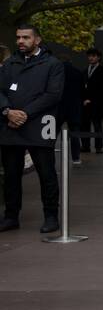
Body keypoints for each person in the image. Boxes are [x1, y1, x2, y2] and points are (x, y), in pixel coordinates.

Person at [0, 24, 65, 233]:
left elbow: (52, 95)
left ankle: (51, 217)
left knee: (46, 174)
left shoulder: (52, 64)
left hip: (40, 126)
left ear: (37, 40)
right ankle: (11, 217)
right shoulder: (10, 63)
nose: (20, 41)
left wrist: (24, 114)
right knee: (11, 175)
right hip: (11, 126)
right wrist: (7, 111)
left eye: (26, 38)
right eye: (18, 37)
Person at [56, 54, 85, 165]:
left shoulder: (57, 72)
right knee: (75, 133)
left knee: (53, 133)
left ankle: (48, 155)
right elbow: (82, 90)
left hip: (59, 107)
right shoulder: (78, 72)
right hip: (74, 107)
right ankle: (76, 158)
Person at [82, 47, 103, 154]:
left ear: (98, 58)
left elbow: (102, 89)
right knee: (85, 126)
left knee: (97, 126)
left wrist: (90, 99)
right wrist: (84, 99)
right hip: (85, 104)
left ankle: (99, 147)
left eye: (93, 56)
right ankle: (85, 146)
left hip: (96, 104)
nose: (90, 58)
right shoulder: (84, 71)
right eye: (89, 56)